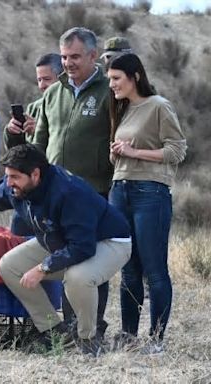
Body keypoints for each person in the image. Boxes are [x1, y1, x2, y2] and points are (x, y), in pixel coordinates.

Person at [0, 144, 131, 356]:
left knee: (77, 277)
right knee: (9, 266)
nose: (9, 183)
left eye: (14, 177)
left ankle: (88, 338)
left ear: (35, 174)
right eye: (7, 176)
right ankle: (54, 331)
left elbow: (82, 248)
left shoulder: (69, 192)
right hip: (61, 240)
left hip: (109, 242)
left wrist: (43, 268)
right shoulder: (18, 186)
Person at [32, 27, 112, 338]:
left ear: (94, 56)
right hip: (54, 195)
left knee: (91, 264)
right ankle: (69, 327)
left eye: (75, 56)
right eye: (64, 57)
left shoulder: (110, 90)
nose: (68, 63)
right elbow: (40, 141)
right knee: (62, 260)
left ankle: (93, 327)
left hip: (94, 192)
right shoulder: (53, 92)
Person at [107, 53, 186, 354]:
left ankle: (156, 341)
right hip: (120, 190)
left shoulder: (159, 106)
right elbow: (125, 153)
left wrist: (135, 152)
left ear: (135, 76)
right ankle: (129, 337)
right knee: (127, 269)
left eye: (116, 78)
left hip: (150, 193)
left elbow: (177, 150)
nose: (112, 85)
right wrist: (117, 153)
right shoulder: (123, 109)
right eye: (110, 79)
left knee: (154, 270)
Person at [3, 52, 62, 235]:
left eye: (47, 79)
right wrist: (12, 132)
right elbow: (19, 154)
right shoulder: (34, 107)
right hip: (29, 187)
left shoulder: (65, 105)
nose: (42, 85)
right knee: (19, 237)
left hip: (54, 185)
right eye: (39, 80)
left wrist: (39, 131)